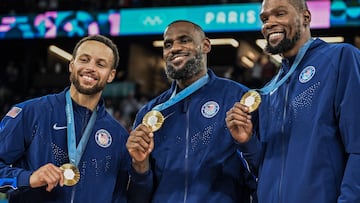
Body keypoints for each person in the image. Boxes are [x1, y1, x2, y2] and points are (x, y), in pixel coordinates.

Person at [226, 0, 360, 202]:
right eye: (265, 18)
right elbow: (264, 168)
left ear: (306, 17)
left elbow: (357, 145)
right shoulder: (270, 90)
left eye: (280, 14)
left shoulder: (340, 58)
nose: (269, 23)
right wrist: (247, 142)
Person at [0, 35, 152, 203]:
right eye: (84, 60)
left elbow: (126, 198)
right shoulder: (30, 113)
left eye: (100, 64)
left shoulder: (118, 136)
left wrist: (141, 166)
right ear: (72, 65)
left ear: (111, 75)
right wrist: (28, 178)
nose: (90, 68)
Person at [126, 20, 260, 202]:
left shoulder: (238, 98)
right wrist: (139, 166)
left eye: (184, 40)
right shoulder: (150, 113)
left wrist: (248, 143)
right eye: (168, 44)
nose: (174, 48)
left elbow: (262, 175)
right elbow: (139, 197)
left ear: (205, 45)